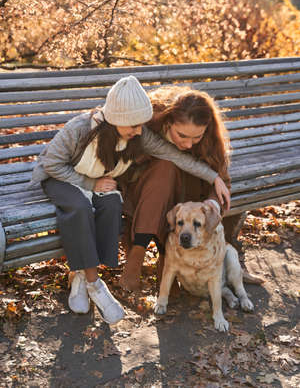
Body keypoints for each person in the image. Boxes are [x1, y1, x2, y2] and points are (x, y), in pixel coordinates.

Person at [30, 76, 229, 324]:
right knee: (82, 206)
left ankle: (84, 275)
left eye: (141, 125)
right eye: (134, 126)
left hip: (103, 182)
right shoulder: (83, 128)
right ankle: (92, 281)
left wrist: (214, 177)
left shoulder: (137, 134)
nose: (139, 131)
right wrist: (91, 185)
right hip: (63, 178)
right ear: (118, 120)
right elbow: (51, 165)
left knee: (112, 203)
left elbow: (174, 156)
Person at [120, 85, 244, 292]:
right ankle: (137, 254)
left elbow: (223, 183)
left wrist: (210, 205)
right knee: (165, 167)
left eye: (197, 137)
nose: (188, 144)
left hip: (185, 199)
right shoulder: (147, 125)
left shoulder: (211, 140)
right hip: (142, 192)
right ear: (169, 122)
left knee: (180, 192)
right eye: (182, 135)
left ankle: (167, 260)